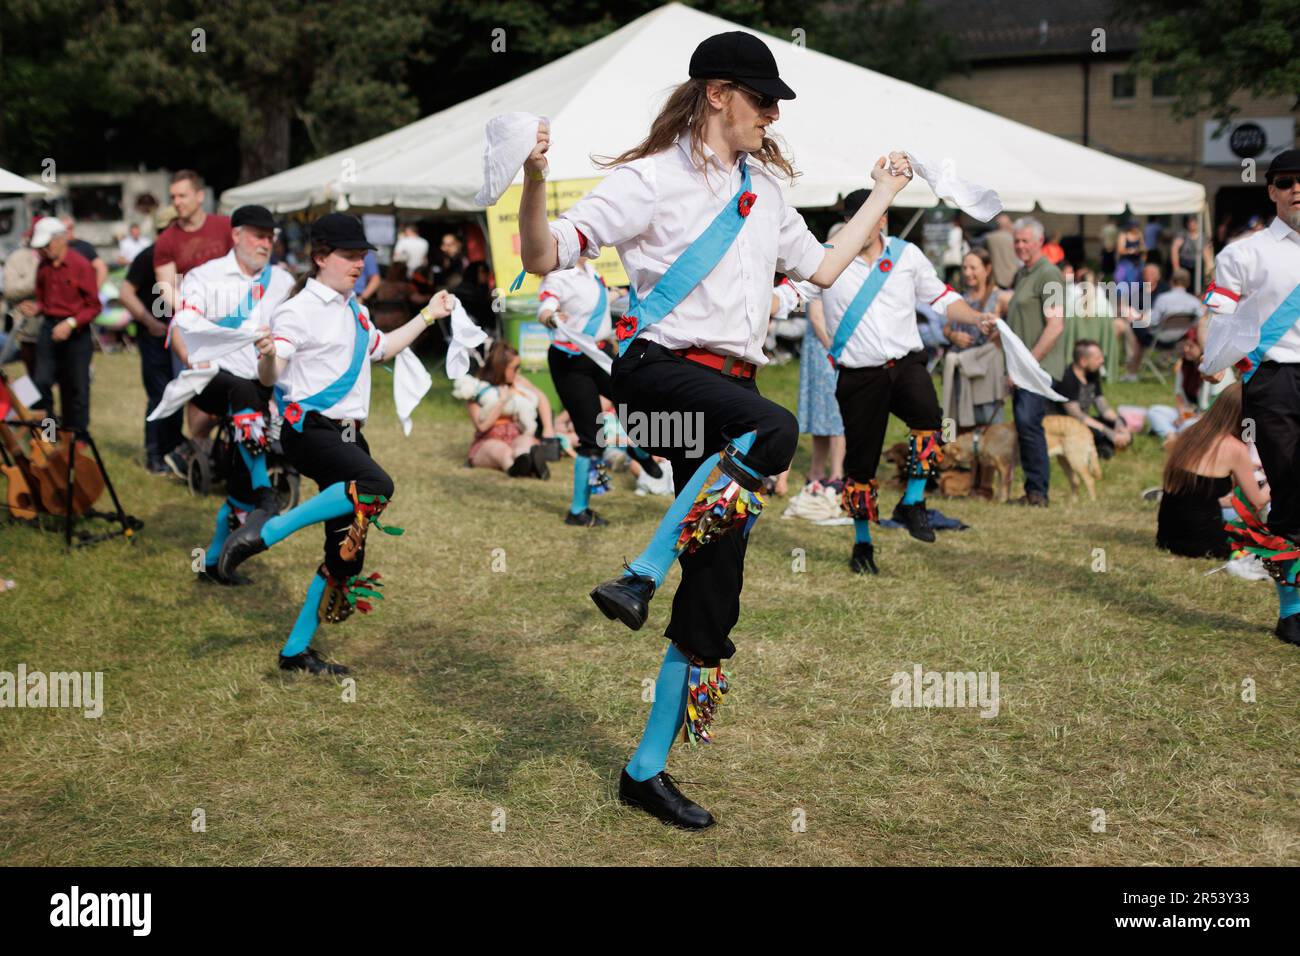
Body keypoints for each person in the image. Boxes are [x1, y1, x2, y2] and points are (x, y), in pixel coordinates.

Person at [517, 30, 914, 828]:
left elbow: (824, 269)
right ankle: (638, 570)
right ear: (717, 93)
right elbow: (542, 254)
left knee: (716, 598)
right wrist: (532, 178)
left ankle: (643, 771)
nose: (773, 113)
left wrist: (881, 191)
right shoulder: (649, 179)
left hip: (729, 398)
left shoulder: (764, 192)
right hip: (658, 372)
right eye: (762, 98)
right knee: (776, 428)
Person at [217, 213, 455, 674]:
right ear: (321, 257)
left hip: (347, 435)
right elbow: (273, 371)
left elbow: (381, 349)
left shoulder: (355, 309)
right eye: (349, 256)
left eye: (362, 256)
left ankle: (294, 653)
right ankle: (266, 532)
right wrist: (266, 358)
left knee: (345, 557)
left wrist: (428, 315)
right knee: (376, 484)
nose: (358, 264)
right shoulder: (296, 310)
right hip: (309, 430)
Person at [808, 186, 996, 574]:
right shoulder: (826, 260)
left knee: (932, 420)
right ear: (851, 222)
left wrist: (975, 317)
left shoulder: (906, 255)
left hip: (906, 363)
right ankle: (862, 544)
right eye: (866, 217)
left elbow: (942, 297)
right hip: (859, 374)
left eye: (881, 215)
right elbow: (787, 294)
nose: (877, 222)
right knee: (861, 465)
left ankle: (912, 502)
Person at [1200, 148, 1300, 646]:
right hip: (1276, 379)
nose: (1296, 188)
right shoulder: (1244, 252)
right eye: (1286, 181)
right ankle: (1291, 611)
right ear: (1272, 190)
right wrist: (1230, 365)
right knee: (1288, 489)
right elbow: (1220, 321)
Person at [167, 205, 296, 583]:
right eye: (258, 234)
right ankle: (266, 493)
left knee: (238, 479)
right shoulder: (204, 276)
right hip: (212, 380)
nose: (266, 242)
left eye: (270, 235)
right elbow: (183, 326)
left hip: (258, 388)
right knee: (241, 391)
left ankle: (211, 563)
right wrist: (195, 360)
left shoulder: (284, 281)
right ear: (236, 234)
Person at [539, 259, 662, 525]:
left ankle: (639, 451)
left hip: (601, 354)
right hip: (571, 360)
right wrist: (551, 317)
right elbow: (546, 306)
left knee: (637, 405)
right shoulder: (558, 276)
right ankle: (578, 511)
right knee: (592, 438)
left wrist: (619, 292)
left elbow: (596, 300)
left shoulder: (590, 272)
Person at [155, 170, 234, 476]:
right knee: (198, 389)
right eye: (173, 197)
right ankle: (200, 459)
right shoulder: (167, 240)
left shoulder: (225, 227)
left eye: (182, 195)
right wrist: (192, 312)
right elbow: (165, 286)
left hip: (232, 320)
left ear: (200, 196)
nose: (177, 202)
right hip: (191, 326)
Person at [1157, 383, 1267, 559]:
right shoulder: (1234, 448)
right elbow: (1258, 501)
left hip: (1168, 537)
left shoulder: (1192, 432)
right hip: (1203, 542)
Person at [1005, 216, 1066, 506]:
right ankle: (1033, 488)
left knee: (1029, 422)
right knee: (1025, 423)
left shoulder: (1049, 274)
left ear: (1040, 241)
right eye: (1016, 241)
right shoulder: (1023, 274)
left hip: (1038, 366)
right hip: (1024, 366)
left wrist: (1026, 364)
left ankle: (1038, 492)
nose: (1020, 246)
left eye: (1025, 240)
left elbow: (1056, 325)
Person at [119, 209, 183, 474]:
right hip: (155, 337)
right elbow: (125, 293)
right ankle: (155, 454)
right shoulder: (149, 256)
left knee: (179, 393)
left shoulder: (182, 256)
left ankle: (174, 450)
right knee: (159, 395)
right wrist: (149, 321)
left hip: (180, 335)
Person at [22, 218, 99, 433]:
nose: (44, 250)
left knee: (77, 386)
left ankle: (78, 436)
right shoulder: (43, 267)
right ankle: (50, 430)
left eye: (47, 245)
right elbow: (44, 298)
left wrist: (71, 323)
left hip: (76, 332)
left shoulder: (80, 265)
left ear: (60, 239)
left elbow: (94, 306)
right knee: (41, 381)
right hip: (49, 327)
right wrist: (37, 307)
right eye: (41, 247)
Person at [458, 340, 553, 478]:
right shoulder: (477, 390)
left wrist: (548, 429)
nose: (518, 371)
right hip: (488, 441)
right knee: (502, 451)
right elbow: (482, 427)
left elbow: (541, 398)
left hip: (515, 436)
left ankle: (526, 459)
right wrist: (502, 402)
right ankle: (515, 468)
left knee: (525, 443)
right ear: (501, 368)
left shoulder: (518, 382)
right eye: (514, 368)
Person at [798, 227, 845, 489]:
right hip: (825, 351)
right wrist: (837, 350)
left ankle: (834, 472)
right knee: (826, 414)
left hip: (832, 350)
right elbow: (817, 318)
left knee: (835, 414)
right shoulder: (822, 272)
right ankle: (821, 470)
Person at [941, 247, 1008, 429]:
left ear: (987, 269)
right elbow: (946, 330)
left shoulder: (1000, 297)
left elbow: (1016, 322)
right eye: (964, 268)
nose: (967, 273)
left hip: (984, 369)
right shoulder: (958, 299)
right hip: (960, 367)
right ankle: (951, 451)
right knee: (956, 422)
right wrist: (954, 336)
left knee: (987, 424)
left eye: (973, 268)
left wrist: (999, 336)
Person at [1052, 340, 1132, 458]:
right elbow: (1077, 415)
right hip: (1068, 425)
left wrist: (1119, 424)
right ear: (1083, 361)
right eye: (1097, 358)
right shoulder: (1067, 378)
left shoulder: (1092, 375)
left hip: (1084, 422)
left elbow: (1103, 406)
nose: (1102, 361)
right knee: (1097, 432)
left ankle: (1110, 443)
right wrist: (1108, 432)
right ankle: (1104, 446)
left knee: (1119, 421)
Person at [60, 217, 108, 289]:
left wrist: (95, 290)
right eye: (63, 229)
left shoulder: (84, 246)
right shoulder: (56, 248)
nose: (67, 230)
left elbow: (101, 268)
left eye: (69, 227)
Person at [1171, 215, 1212, 290]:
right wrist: (1176, 268)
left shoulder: (1202, 237)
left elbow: (1207, 254)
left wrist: (1209, 270)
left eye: (1194, 222)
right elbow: (1174, 249)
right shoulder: (1183, 235)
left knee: (1196, 288)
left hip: (1197, 267)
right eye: (1190, 222)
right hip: (1184, 265)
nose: (1192, 224)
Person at [984, 213, 1019, 288]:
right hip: (1014, 279)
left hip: (996, 280)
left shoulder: (990, 237)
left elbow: (974, 242)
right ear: (1008, 224)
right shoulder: (1016, 239)